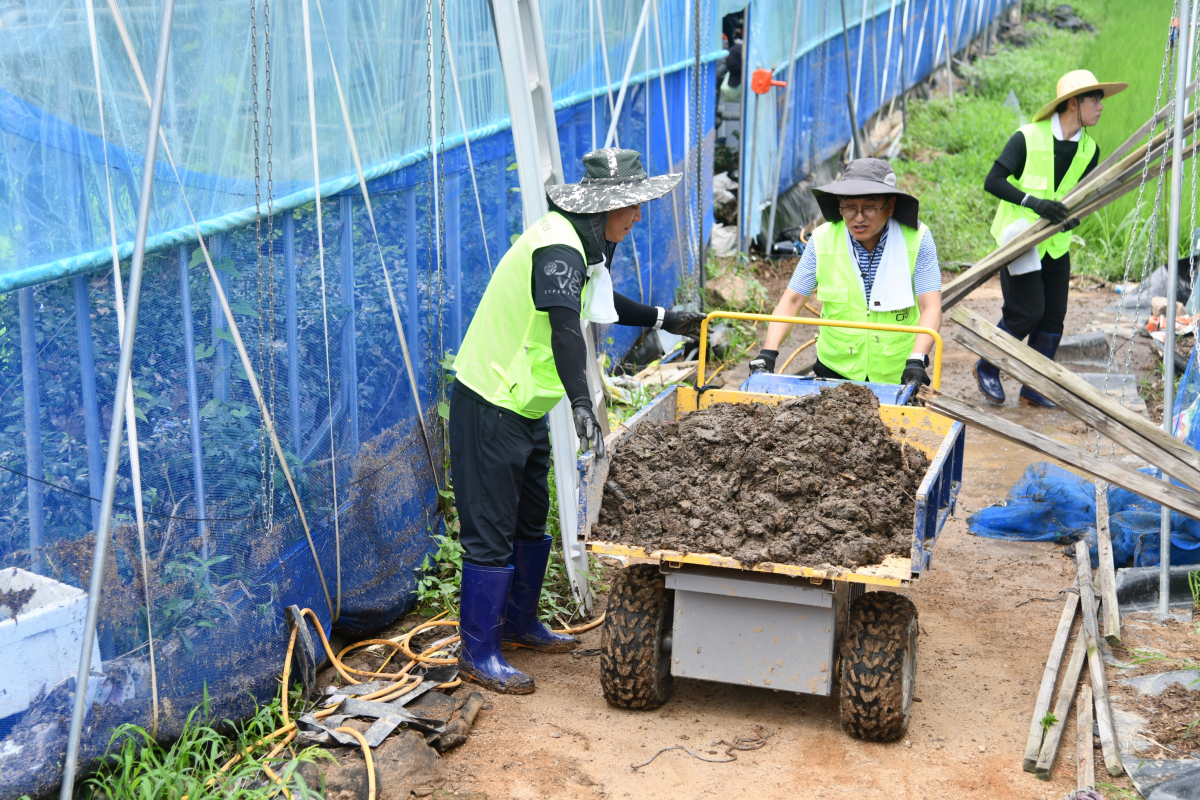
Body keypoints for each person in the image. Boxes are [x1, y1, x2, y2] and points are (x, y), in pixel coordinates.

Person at [448, 148, 706, 694]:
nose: (637, 217)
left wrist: (667, 318)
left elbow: (601, 306)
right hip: (492, 398)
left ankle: (517, 625)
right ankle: (478, 652)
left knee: (530, 520)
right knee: (491, 530)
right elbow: (567, 330)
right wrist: (584, 403)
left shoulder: (588, 247)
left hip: (526, 402)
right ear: (604, 206)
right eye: (631, 205)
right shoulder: (558, 249)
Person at [975, 69, 1126, 407]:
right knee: (1027, 310)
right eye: (1095, 100)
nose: (1101, 107)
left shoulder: (1090, 149)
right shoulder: (1027, 137)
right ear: (1074, 103)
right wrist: (1033, 202)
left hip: (1055, 243)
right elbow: (993, 180)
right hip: (1021, 239)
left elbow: (1082, 196)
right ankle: (987, 364)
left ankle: (1034, 386)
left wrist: (1074, 218)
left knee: (1054, 315)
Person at [749, 158, 942, 387]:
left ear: (890, 206)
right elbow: (792, 300)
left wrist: (917, 360)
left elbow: (931, 306)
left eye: (870, 207)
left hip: (898, 373)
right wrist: (768, 352)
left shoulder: (918, 239)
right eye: (850, 207)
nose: (858, 217)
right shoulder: (822, 239)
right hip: (835, 370)